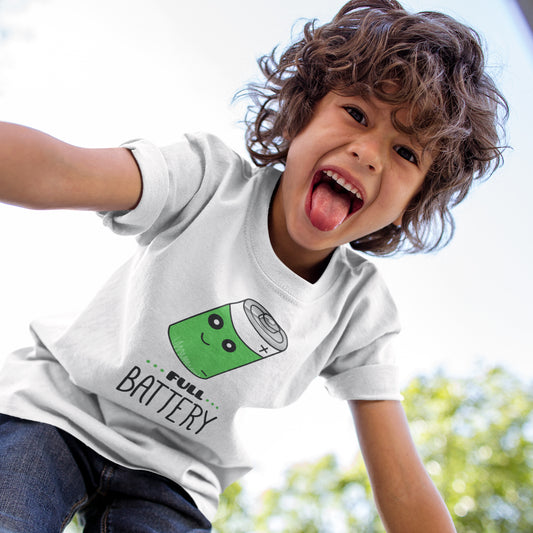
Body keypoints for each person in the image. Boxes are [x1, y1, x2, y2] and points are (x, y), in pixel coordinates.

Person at [0, 0, 507, 532]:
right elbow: (58, 172)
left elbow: (401, 482)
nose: (369, 153)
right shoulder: (205, 181)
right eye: (357, 114)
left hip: (174, 478)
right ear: (303, 113)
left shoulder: (358, 310)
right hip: (56, 413)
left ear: (413, 200)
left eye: (406, 153)